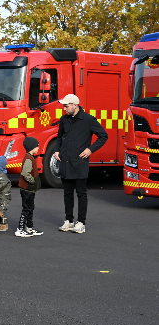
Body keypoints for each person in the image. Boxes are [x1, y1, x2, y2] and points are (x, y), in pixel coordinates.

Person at [53, 94, 108, 234]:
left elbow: (103, 135)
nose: (64, 108)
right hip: (65, 162)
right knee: (67, 193)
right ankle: (69, 221)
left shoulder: (88, 119)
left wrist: (90, 149)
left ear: (75, 105)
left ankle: (81, 223)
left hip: (79, 163)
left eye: (66, 106)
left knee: (81, 193)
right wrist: (57, 151)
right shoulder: (64, 119)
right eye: (64, 106)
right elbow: (59, 138)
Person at [15, 137, 43, 237]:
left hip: (30, 189)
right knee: (26, 208)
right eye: (37, 146)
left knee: (30, 208)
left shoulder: (30, 157)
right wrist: (32, 181)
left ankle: (29, 227)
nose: (38, 148)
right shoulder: (28, 159)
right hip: (27, 189)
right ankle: (20, 229)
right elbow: (25, 173)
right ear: (32, 147)